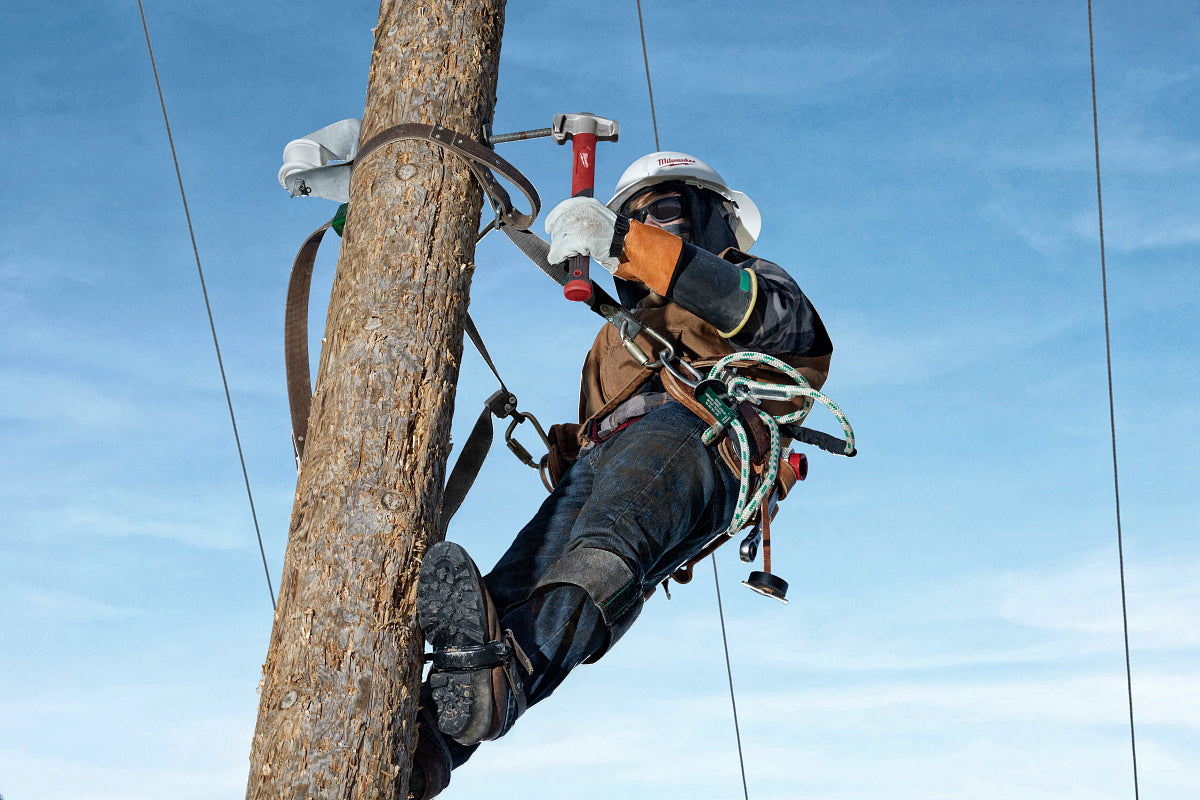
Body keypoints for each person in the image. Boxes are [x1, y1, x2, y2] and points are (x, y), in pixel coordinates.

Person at [407, 151, 833, 799]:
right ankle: (427, 747)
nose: (648, 227)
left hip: (701, 433)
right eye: (634, 217)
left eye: (664, 212)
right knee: (499, 600)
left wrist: (624, 242)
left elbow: (788, 331)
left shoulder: (747, 282)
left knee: (605, 546)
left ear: (713, 220)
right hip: (612, 457)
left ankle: (513, 676)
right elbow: (593, 429)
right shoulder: (614, 337)